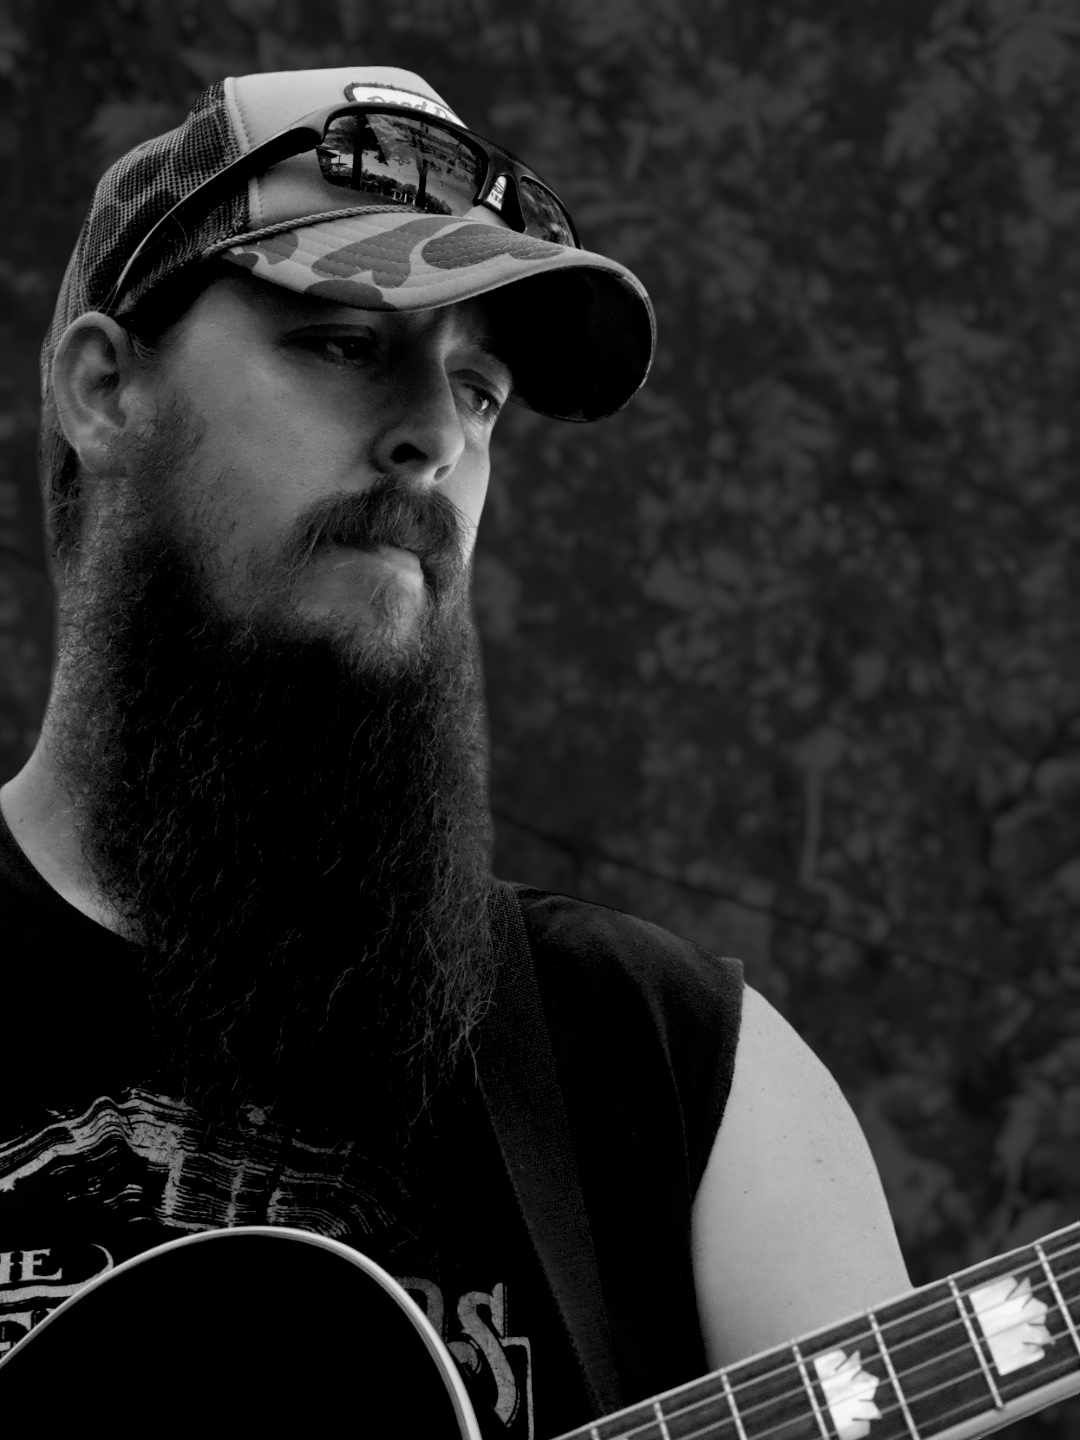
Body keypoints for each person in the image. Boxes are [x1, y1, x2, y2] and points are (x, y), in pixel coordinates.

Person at [0, 64, 909, 1436]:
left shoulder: (681, 1076)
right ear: (104, 391)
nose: (434, 435)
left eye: (479, 390)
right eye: (342, 343)